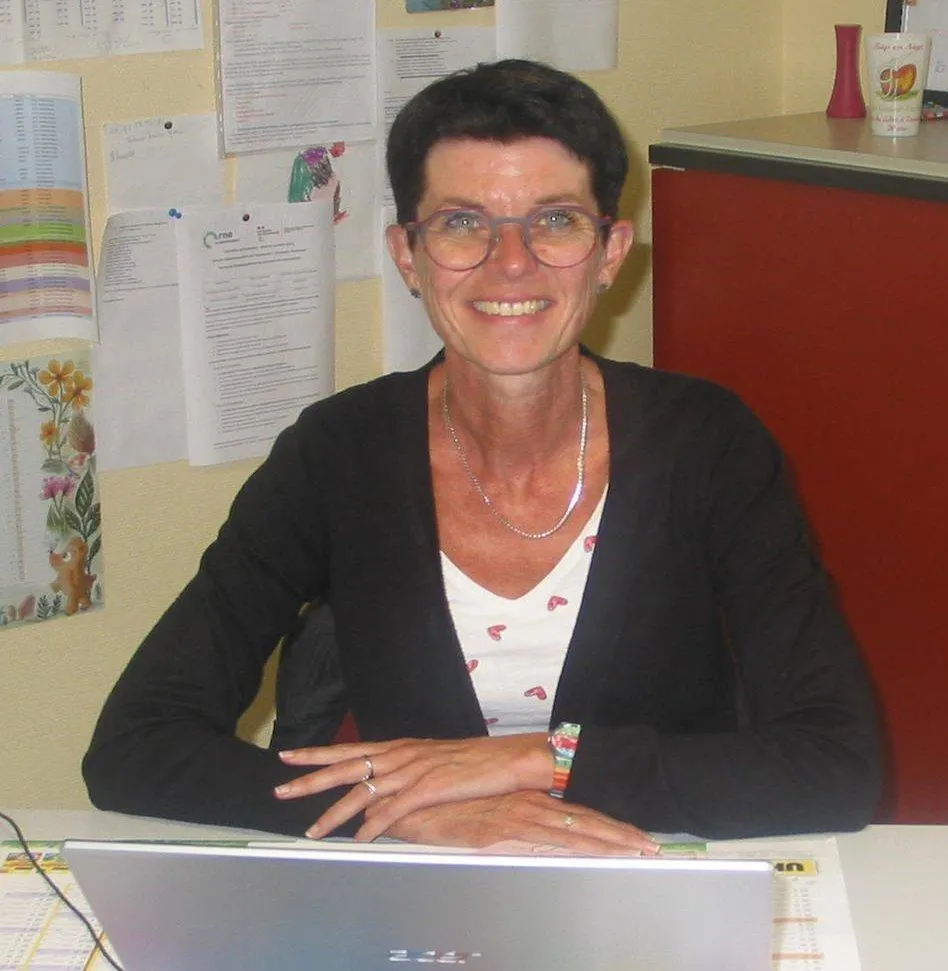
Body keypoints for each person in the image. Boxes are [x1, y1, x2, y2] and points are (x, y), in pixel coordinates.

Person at [82, 59, 881, 853]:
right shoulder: (335, 455)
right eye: (463, 223)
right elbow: (136, 742)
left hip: (652, 871)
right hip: (429, 880)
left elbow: (837, 763)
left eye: (555, 221)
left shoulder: (708, 443)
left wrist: (536, 760)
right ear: (408, 256)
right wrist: (402, 811)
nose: (511, 263)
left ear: (610, 252)